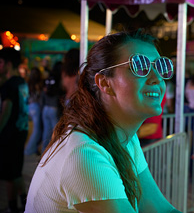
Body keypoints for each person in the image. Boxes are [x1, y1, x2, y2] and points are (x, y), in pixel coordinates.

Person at [25, 30, 180, 213]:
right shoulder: (84, 153)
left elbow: (156, 207)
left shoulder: (124, 137)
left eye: (161, 66)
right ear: (105, 83)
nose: (157, 79)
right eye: (140, 66)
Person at [0, 48, 29, 213]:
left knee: (9, 174)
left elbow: (5, 113)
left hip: (9, 133)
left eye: (1, 62)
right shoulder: (21, 82)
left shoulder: (8, 86)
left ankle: (12, 207)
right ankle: (25, 203)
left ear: (8, 64)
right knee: (16, 171)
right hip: (21, 130)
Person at [41, 61, 64, 152]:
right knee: (57, 132)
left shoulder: (48, 77)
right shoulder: (59, 79)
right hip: (54, 108)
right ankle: (55, 153)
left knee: (46, 132)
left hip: (45, 108)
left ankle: (44, 153)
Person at [24, 67, 43, 156]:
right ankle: (29, 149)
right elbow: (39, 96)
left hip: (29, 106)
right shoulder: (37, 84)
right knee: (37, 129)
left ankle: (32, 149)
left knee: (35, 129)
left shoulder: (28, 83)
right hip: (36, 106)